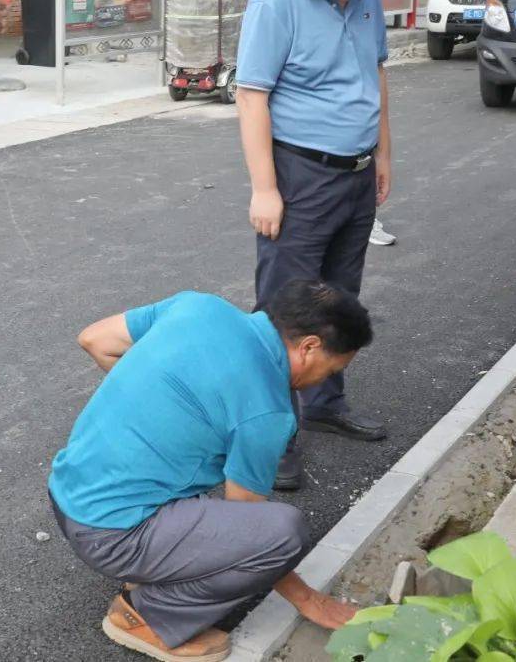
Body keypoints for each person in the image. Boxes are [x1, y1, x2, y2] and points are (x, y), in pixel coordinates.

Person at [47, 280, 369, 660]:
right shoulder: (266, 410)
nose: (325, 380)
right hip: (111, 534)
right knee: (284, 533)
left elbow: (95, 339)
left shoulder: (198, 308)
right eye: (332, 369)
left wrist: (161, 410)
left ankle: (151, 557)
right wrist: (310, 601)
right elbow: (251, 526)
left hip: (66, 494)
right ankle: (147, 618)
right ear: (309, 347)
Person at [236, 0, 399, 489]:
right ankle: (268, 439)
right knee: (286, 312)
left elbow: (375, 70)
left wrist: (382, 153)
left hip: (355, 174)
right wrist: (264, 189)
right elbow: (252, 93)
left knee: (339, 299)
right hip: (300, 175)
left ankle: (326, 405)